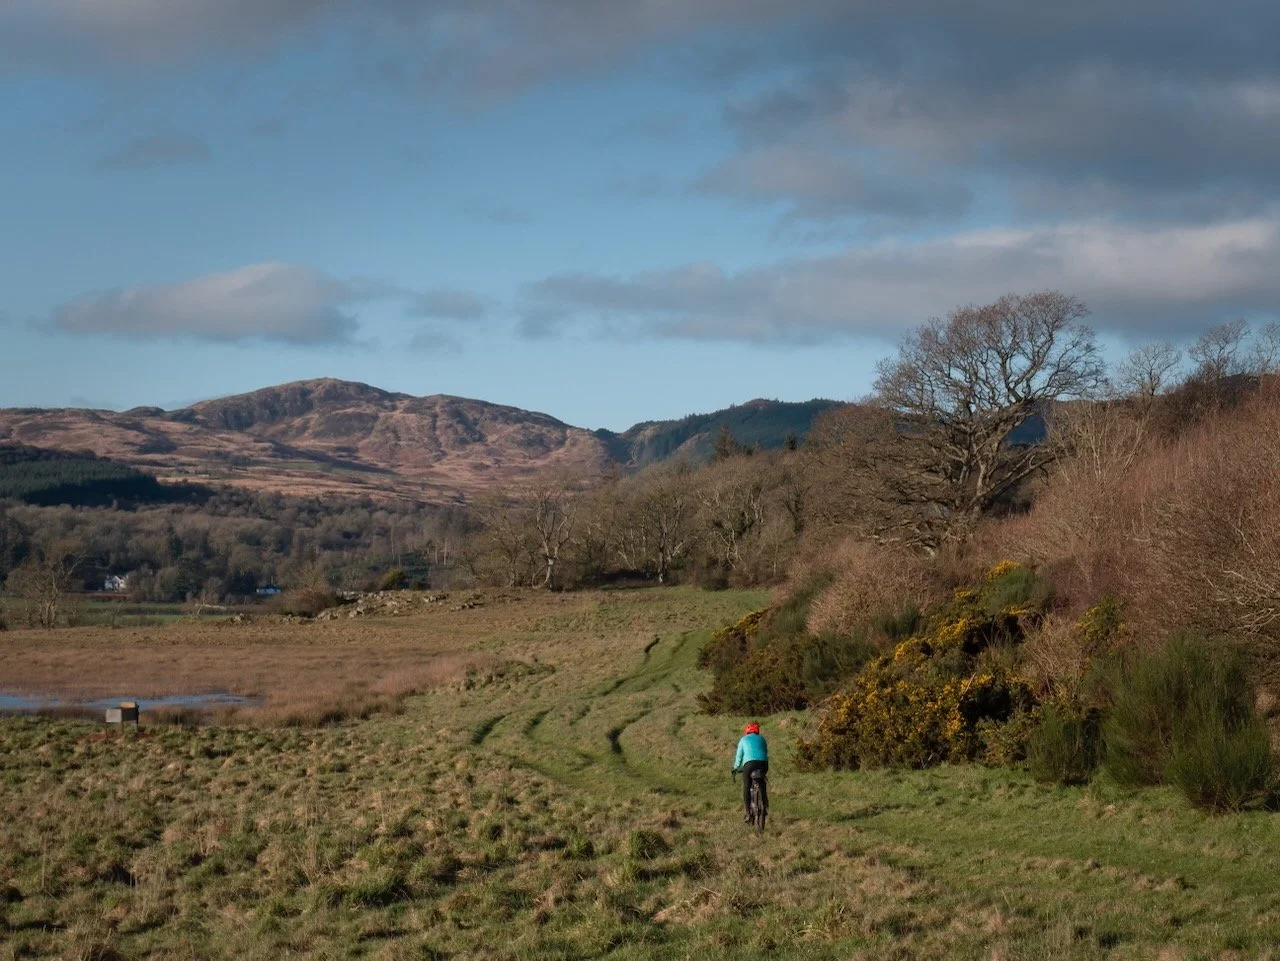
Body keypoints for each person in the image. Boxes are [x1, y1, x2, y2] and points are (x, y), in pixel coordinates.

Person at [732, 722, 768, 822]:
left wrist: (735, 768)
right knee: (763, 782)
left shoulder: (743, 740)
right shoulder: (762, 739)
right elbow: (765, 752)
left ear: (747, 732)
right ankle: (764, 805)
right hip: (763, 763)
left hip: (749, 764)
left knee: (747, 786)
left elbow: (739, 757)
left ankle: (748, 812)